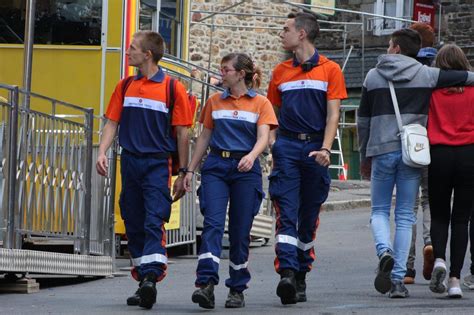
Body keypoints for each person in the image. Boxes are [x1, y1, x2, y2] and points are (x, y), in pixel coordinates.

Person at [358, 29, 474, 299]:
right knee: (406, 215)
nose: (387, 48)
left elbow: (363, 122)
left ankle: (383, 251)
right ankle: (398, 279)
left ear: (396, 48)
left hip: (383, 150)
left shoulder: (372, 76)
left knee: (379, 210)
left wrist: (365, 156)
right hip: (414, 153)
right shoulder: (426, 74)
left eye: (388, 44)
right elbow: (464, 76)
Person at [96, 31, 192, 309]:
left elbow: (182, 134)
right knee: (133, 219)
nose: (128, 52)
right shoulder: (125, 86)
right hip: (130, 162)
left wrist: (184, 172)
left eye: (133, 48)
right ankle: (142, 280)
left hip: (157, 163)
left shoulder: (173, 88)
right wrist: (102, 152)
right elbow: (112, 123)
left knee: (154, 219)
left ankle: (150, 277)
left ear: (147, 55)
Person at [184, 53, 278, 309]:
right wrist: (189, 171)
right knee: (213, 223)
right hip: (216, 167)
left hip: (245, 170)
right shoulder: (214, 101)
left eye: (225, 70)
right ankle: (206, 283)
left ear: (240, 74)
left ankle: (237, 288)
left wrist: (252, 156)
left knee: (239, 231)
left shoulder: (261, 103)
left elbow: (263, 137)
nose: (221, 73)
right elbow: (204, 138)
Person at [267, 12, 347, 305]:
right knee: (286, 211)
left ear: (302, 34)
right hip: (287, 147)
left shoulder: (330, 69)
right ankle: (286, 272)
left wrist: (326, 149)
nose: (281, 33)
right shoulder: (280, 72)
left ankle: (301, 273)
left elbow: (333, 114)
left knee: (308, 216)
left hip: (315, 148)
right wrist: (275, 144)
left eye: (286, 29)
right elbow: (270, 114)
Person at [426, 44, 474, 298]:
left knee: (440, 215)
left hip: (440, 153)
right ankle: (455, 279)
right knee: (461, 219)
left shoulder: (432, 92)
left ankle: (440, 260)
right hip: (469, 154)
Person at [403, 22, 438, 285]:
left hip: (409, 141)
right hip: (433, 141)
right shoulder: (438, 69)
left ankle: (407, 267)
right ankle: (430, 242)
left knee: (407, 205)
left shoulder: (406, 69)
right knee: (429, 200)